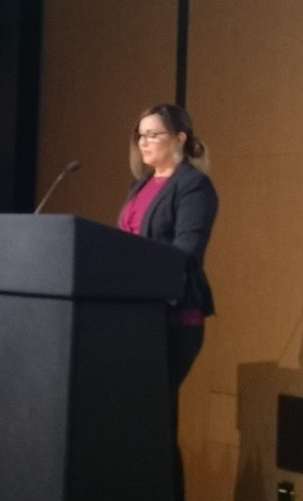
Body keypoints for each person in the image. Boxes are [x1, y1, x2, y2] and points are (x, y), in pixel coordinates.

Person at [119, 104, 218, 501]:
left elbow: (185, 251)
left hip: (175, 319)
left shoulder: (194, 187)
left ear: (180, 138)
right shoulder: (140, 186)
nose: (143, 142)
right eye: (140, 135)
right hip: (136, 317)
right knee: (142, 424)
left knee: (152, 422)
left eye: (153, 134)